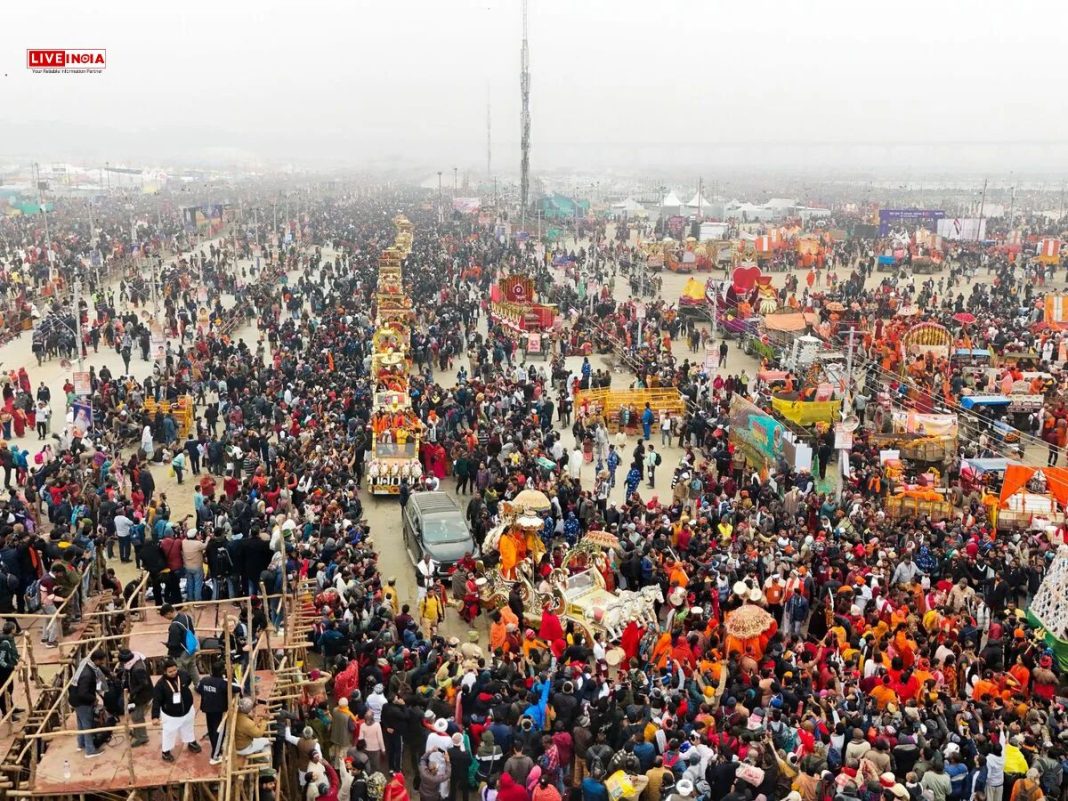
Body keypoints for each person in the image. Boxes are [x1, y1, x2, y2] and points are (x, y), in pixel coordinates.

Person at [151, 657, 201, 762]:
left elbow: (188, 680)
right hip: (171, 715)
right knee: (169, 733)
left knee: (188, 727)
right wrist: (155, 716)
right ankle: (166, 751)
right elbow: (156, 701)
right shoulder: (160, 685)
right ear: (164, 672)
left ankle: (191, 742)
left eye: (175, 670)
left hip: (187, 710)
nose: (174, 673)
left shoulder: (183, 675)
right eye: (170, 671)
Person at [69, 649, 110, 759]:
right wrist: (93, 699)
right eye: (101, 662)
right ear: (96, 660)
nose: (102, 664)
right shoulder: (87, 675)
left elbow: (100, 669)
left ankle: (81, 744)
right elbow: (83, 693)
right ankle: (90, 750)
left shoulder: (86, 662)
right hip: (82, 701)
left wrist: (108, 673)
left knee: (81, 723)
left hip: (74, 699)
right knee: (88, 726)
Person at [118, 647, 153, 747]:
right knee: (135, 715)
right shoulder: (135, 661)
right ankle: (138, 732)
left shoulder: (138, 669)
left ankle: (142, 737)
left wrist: (131, 693)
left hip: (142, 696)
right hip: (138, 694)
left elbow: (144, 684)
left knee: (137, 716)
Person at [161, 603, 201, 685]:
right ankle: (198, 684)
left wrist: (167, 644)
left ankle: (183, 687)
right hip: (191, 647)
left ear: (169, 613)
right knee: (192, 666)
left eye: (165, 616)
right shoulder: (186, 617)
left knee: (180, 672)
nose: (166, 618)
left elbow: (174, 644)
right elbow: (192, 631)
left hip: (182, 653)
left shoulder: (174, 626)